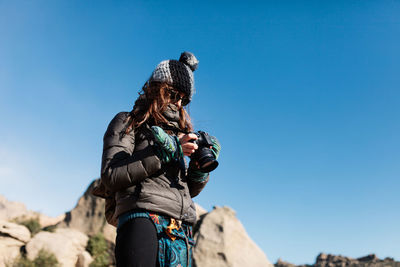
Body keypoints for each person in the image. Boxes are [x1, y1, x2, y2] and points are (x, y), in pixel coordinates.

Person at [94, 52, 221, 267]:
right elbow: (111, 175)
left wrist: (199, 171)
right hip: (142, 221)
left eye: (184, 99)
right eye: (173, 94)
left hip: (180, 231)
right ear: (156, 88)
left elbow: (182, 191)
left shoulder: (180, 133)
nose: (178, 103)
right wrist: (167, 151)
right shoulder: (128, 122)